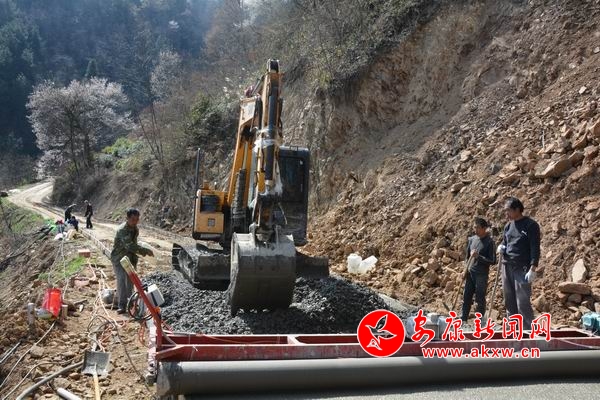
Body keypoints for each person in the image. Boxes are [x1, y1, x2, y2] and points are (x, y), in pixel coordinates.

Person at [498, 197, 541, 329]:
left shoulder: (530, 225)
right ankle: (513, 330)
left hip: (522, 267)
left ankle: (527, 331)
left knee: (522, 301)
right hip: (507, 265)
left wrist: (533, 268)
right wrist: (501, 247)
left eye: (508, 210)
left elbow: (535, 247)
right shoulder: (508, 226)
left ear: (517, 209)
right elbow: (505, 242)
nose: (506, 214)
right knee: (509, 300)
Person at [110, 208, 154, 314]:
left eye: (137, 220)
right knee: (121, 281)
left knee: (130, 281)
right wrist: (145, 251)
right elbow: (130, 246)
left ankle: (130, 304)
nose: (135, 222)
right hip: (119, 258)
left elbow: (134, 244)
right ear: (127, 218)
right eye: (133, 220)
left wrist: (139, 252)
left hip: (129, 258)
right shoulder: (122, 230)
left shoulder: (135, 229)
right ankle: (121, 305)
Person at [461, 217, 496, 322]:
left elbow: (493, 260)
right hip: (470, 272)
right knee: (466, 296)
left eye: (477, 228)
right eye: (474, 227)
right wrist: (465, 269)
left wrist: (478, 257)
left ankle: (480, 321)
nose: (475, 230)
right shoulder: (472, 239)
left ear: (484, 228)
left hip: (481, 274)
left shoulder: (489, 242)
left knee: (480, 298)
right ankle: (463, 319)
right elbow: (467, 257)